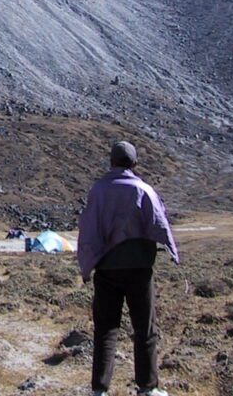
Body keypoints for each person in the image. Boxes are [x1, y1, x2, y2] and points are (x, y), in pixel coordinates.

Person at [77, 141, 179, 396]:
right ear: (134, 163)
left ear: (111, 162)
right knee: (144, 327)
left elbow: (89, 231)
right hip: (140, 269)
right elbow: (159, 222)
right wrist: (171, 251)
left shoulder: (98, 191)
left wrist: (87, 266)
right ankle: (147, 388)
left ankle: (99, 389)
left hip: (107, 270)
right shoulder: (143, 189)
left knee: (106, 328)